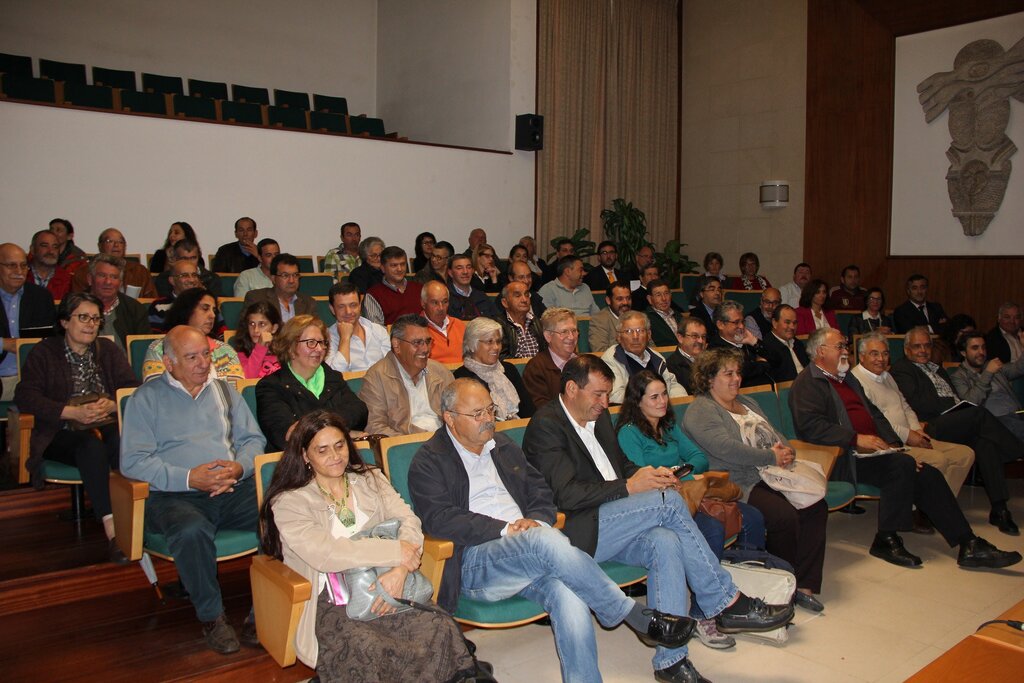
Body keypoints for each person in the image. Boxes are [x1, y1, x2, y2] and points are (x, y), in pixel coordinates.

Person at [409, 378, 704, 683]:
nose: (488, 419)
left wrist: (536, 521)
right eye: (477, 414)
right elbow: (440, 519)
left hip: (532, 549)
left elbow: (541, 491)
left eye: (490, 410)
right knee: (540, 540)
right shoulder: (429, 460)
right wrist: (507, 529)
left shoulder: (503, 446)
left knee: (568, 592)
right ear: (450, 418)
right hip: (477, 562)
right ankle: (628, 613)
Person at [523, 356, 794, 681]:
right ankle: (724, 599)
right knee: (668, 503)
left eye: (607, 394)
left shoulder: (599, 417)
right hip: (576, 531)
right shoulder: (546, 425)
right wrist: (629, 487)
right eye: (598, 394)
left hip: (613, 520)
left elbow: (620, 467)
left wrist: (648, 475)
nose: (605, 403)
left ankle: (671, 661)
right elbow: (565, 495)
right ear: (571, 388)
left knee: (666, 542)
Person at [260, 410, 475, 681]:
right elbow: (326, 554)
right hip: (332, 596)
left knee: (439, 626)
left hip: (390, 576)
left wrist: (400, 571)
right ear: (305, 455)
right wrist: (395, 552)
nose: (335, 456)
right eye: (322, 450)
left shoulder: (370, 478)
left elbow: (408, 520)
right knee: (367, 646)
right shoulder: (290, 501)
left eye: (339, 445)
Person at [789, 327, 1020, 568]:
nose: (845, 351)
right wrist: (855, 438)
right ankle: (886, 538)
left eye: (845, 346)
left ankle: (969, 543)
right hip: (838, 458)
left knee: (928, 474)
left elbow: (875, 414)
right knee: (902, 466)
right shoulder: (807, 383)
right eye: (840, 346)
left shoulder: (846, 378)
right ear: (821, 351)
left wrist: (894, 445)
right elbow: (811, 427)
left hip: (869, 452)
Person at [121, 325, 267, 654]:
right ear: (168, 363)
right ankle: (212, 616)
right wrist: (189, 478)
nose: (203, 363)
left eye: (205, 354)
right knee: (190, 531)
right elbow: (133, 462)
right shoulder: (145, 399)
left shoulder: (225, 391)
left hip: (231, 488)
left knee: (277, 511)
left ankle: (263, 609)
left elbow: (253, 440)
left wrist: (239, 467)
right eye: (192, 357)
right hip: (175, 495)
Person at [682, 348, 828, 613]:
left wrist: (787, 451)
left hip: (773, 474)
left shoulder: (747, 402)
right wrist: (771, 456)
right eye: (728, 374)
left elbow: (775, 434)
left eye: (737, 373)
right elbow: (726, 448)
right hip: (739, 481)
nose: (736, 379)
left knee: (815, 505)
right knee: (783, 516)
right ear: (709, 378)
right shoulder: (701, 409)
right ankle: (781, 583)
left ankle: (804, 584)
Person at [15, 292, 140, 563]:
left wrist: (112, 404)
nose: (91, 324)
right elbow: (25, 396)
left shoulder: (107, 350)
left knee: (123, 440)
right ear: (64, 322)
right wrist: (71, 412)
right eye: (83, 317)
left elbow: (132, 387)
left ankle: (138, 515)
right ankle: (112, 528)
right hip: (59, 429)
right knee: (91, 447)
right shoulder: (45, 352)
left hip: (104, 421)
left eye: (96, 319)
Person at [616, 371, 768, 589]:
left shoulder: (668, 426)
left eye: (664, 394)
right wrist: (677, 474)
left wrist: (678, 474)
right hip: (661, 501)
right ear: (637, 401)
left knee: (752, 517)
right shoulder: (629, 433)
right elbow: (640, 476)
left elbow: (699, 458)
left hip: (688, 490)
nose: (662, 401)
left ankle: (751, 585)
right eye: (654, 397)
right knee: (713, 529)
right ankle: (707, 598)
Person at [890, 327, 1022, 534]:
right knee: (978, 414)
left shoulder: (937, 368)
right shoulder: (902, 369)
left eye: (927, 345)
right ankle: (1017, 450)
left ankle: (1000, 509)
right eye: (917, 346)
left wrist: (957, 407)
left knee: (985, 444)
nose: (923, 350)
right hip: (929, 425)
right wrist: (950, 406)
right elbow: (916, 402)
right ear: (907, 350)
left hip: (952, 419)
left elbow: (954, 397)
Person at [851, 333, 975, 499]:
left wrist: (917, 429)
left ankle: (938, 505)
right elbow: (875, 422)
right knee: (938, 459)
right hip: (887, 444)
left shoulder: (886, 376)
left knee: (964, 455)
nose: (881, 359)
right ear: (861, 356)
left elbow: (906, 407)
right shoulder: (856, 381)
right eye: (874, 354)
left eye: (885, 354)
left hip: (909, 437)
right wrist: (908, 435)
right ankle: (927, 506)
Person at [256, 315, 368, 451]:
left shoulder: (333, 377)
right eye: (311, 343)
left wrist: (312, 425)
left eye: (322, 342)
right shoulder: (270, 386)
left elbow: (359, 411)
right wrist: (342, 432)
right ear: (290, 347)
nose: (319, 349)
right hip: (297, 460)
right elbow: (286, 435)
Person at [358, 314, 455, 436]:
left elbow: (459, 414)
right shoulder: (376, 378)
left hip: (444, 439)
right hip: (407, 442)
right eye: (417, 342)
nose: (425, 349)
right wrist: (409, 442)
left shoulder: (440, 372)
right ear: (396, 345)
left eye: (427, 341)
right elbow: (375, 427)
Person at [142, 288, 242, 383]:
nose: (213, 315)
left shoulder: (225, 351)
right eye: (205, 309)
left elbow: (233, 390)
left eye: (214, 310)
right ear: (187, 311)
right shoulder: (159, 349)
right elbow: (156, 389)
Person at [0, 243, 56, 400]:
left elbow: (51, 340)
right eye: (11, 265)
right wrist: (3, 344)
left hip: (31, 378)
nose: (19, 271)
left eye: (23, 266)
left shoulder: (41, 297)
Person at [950, 331, 1024, 443]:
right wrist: (988, 373)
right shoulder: (958, 377)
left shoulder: (992, 365)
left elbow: (1018, 369)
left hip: (1017, 415)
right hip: (995, 421)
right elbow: (970, 403)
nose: (981, 352)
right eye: (975, 348)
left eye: (983, 347)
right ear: (963, 352)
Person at [454, 317, 534, 419]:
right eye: (489, 342)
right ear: (472, 344)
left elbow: (530, 411)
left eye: (498, 341)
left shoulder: (509, 369)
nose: (496, 347)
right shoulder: (461, 378)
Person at [602, 311, 687, 404]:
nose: (635, 337)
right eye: (628, 331)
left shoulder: (657, 358)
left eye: (640, 331)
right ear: (618, 336)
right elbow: (615, 396)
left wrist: (682, 401)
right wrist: (650, 400)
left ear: (649, 335)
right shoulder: (612, 358)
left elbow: (672, 386)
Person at [70, 228, 158, 298]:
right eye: (110, 241)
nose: (116, 245)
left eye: (120, 242)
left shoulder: (140, 271)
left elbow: (150, 301)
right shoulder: (83, 272)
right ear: (100, 246)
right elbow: (78, 301)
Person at [324, 282, 390, 373]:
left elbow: (392, 366)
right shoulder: (326, 338)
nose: (348, 312)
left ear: (359, 306)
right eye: (341, 307)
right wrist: (345, 339)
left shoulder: (378, 330)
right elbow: (336, 374)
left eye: (353, 305)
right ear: (332, 309)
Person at [87, 254, 150, 349]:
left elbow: (143, 348)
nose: (108, 282)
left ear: (120, 283)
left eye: (114, 277)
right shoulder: (75, 306)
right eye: (102, 275)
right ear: (90, 279)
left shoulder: (135, 309)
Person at [709, 300, 775, 387]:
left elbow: (776, 359)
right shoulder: (715, 348)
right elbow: (742, 370)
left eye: (743, 322)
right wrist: (763, 364)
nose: (742, 326)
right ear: (720, 325)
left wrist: (754, 341)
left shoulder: (746, 341)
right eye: (736, 322)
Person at [522, 307, 578, 410]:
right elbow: (543, 409)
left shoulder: (585, 363)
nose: (571, 337)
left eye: (574, 331)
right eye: (564, 332)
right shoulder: (536, 368)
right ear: (548, 336)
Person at [243, 253, 316, 323]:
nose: (291, 280)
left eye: (295, 275)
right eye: (285, 275)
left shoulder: (308, 303)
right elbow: (245, 328)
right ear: (273, 278)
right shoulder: (256, 298)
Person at [362, 246, 423, 325]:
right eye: (394, 265)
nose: (399, 269)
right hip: (391, 333)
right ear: (383, 268)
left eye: (402, 264)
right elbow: (376, 329)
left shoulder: (420, 289)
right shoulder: (373, 295)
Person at [153, 238, 222, 298]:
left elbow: (214, 304)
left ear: (199, 257)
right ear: (175, 258)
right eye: (184, 258)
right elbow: (165, 301)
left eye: (193, 258)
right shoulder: (163, 279)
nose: (189, 262)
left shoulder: (212, 279)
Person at [494, 279, 546, 359]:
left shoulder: (537, 322)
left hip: (538, 366)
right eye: (517, 296)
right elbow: (500, 358)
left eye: (527, 295)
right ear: (505, 302)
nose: (524, 300)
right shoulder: (497, 326)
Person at [148, 259, 204, 332]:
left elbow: (218, 333)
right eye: (185, 275)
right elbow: (156, 336)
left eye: (194, 275)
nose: (192, 280)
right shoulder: (159, 306)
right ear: (172, 280)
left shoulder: (207, 303)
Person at [231, 301, 282, 379]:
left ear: (274, 328)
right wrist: (260, 348)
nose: (256, 330)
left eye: (262, 324)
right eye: (252, 324)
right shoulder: (241, 354)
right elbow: (247, 380)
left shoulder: (284, 351)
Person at [421, 280, 465, 364]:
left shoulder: (459, 325)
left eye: (445, 302)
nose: (441, 308)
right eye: (435, 303)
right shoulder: (417, 329)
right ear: (423, 303)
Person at [761, 305, 808, 383]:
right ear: (774, 323)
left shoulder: (798, 344)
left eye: (795, 323)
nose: (792, 327)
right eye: (787, 322)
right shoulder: (766, 347)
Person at [447, 253, 499, 320]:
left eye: (468, 267)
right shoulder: (445, 298)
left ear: (472, 271)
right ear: (450, 273)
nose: (465, 272)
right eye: (459, 268)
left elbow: (496, 318)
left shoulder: (481, 296)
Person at [26, 229, 72, 301]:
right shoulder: (22, 275)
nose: (51, 251)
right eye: (44, 246)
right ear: (32, 249)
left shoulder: (67, 279)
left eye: (55, 247)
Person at [589, 281, 632, 354]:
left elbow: (650, 346)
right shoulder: (599, 320)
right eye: (620, 299)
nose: (625, 302)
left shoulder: (637, 317)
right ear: (608, 300)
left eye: (628, 298)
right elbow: (600, 351)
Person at [666, 318, 707, 393]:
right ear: (680, 338)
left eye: (703, 337)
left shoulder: (711, 360)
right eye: (695, 336)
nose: (701, 341)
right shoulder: (670, 366)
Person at [645, 279, 682, 347]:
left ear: (670, 295)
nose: (664, 298)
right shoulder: (646, 319)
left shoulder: (678, 315)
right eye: (658, 295)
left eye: (666, 293)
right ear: (649, 299)